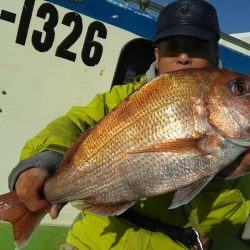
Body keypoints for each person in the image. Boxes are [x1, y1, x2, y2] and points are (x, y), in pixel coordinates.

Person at [8, 0, 250, 249]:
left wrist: (225, 178)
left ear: (215, 53)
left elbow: (221, 226)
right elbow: (71, 124)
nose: (184, 57)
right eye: (172, 47)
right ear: (156, 54)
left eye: (197, 47)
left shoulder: (243, 150)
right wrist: (43, 162)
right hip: (94, 241)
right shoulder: (122, 99)